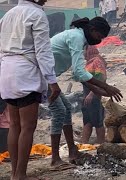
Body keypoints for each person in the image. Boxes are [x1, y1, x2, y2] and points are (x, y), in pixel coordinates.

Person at [49, 17, 122, 170]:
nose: (99, 41)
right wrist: (106, 87)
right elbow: (79, 71)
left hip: (48, 76)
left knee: (66, 109)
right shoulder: (76, 37)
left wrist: (96, 89)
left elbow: (77, 75)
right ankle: (55, 158)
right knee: (59, 112)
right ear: (93, 30)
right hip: (40, 76)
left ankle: (72, 151)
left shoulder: (79, 38)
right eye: (99, 37)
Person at [0, 0, 62, 179]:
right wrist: (52, 81)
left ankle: (14, 174)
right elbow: (43, 51)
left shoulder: (9, 14)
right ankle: (20, 174)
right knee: (28, 126)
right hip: (25, 74)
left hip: (7, 73)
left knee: (14, 125)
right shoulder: (37, 14)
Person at [81, 46, 107, 144]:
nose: (83, 52)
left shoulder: (97, 61)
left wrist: (92, 93)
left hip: (95, 97)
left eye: (84, 50)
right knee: (87, 122)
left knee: (98, 123)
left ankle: (101, 144)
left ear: (89, 50)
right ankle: (84, 144)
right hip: (86, 97)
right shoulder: (89, 62)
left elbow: (101, 78)